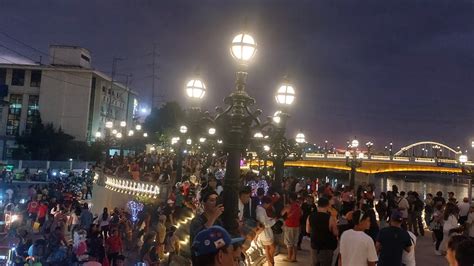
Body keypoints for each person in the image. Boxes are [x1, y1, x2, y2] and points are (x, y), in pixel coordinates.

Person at [306, 197, 338, 266]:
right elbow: (335, 232)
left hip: (314, 245)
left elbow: (308, 231)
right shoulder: (330, 218)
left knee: (314, 263)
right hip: (327, 247)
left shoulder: (310, 216)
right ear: (327, 205)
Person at [256, 196, 277, 266]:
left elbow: (264, 220)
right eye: (268, 204)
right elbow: (265, 224)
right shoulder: (261, 210)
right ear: (265, 203)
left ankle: (270, 262)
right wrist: (274, 221)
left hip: (263, 232)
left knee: (267, 248)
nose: (269, 206)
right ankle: (271, 261)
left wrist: (270, 219)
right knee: (272, 247)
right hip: (265, 232)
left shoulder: (259, 208)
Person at [281, 192, 302, 262]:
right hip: (297, 225)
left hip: (289, 225)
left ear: (290, 199)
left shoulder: (288, 206)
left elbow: (282, 213)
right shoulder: (298, 206)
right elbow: (301, 213)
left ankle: (289, 257)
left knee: (289, 242)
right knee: (295, 242)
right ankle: (294, 257)